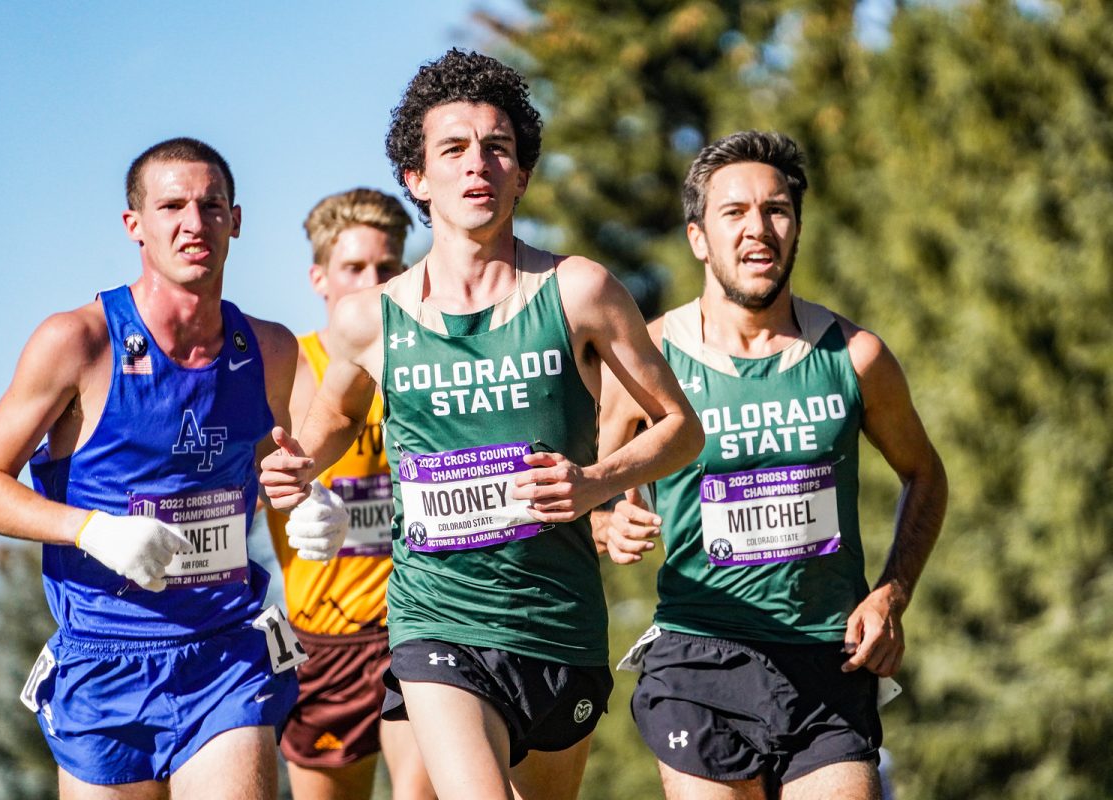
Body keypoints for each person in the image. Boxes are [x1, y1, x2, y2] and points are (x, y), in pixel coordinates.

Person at [259, 49, 703, 800]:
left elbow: (680, 430)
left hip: (558, 623)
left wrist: (596, 482)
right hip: (436, 619)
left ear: (521, 173)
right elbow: (330, 419)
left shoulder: (580, 291)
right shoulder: (375, 318)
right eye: (454, 149)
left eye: (498, 148)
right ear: (418, 179)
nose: (479, 166)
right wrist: (301, 468)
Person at [0, 137, 326, 799]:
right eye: (172, 206)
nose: (195, 223)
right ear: (136, 225)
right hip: (104, 662)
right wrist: (93, 530)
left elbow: (273, 464)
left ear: (236, 220)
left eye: (212, 205)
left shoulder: (270, 349)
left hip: (224, 654)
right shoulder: (78, 341)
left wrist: (306, 496)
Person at [596, 130, 948, 800]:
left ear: (796, 227)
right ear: (699, 237)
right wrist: (607, 522)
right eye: (734, 213)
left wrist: (891, 592)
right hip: (697, 658)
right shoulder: (647, 361)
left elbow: (925, 475)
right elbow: (588, 495)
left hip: (828, 662)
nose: (758, 229)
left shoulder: (856, 356)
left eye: (776, 210)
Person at [265, 188, 434, 799]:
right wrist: (304, 500)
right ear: (320, 277)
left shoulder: (427, 366)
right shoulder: (289, 371)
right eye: (353, 268)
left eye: (387, 268)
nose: (371, 281)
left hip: (416, 622)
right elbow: (248, 482)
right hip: (323, 639)